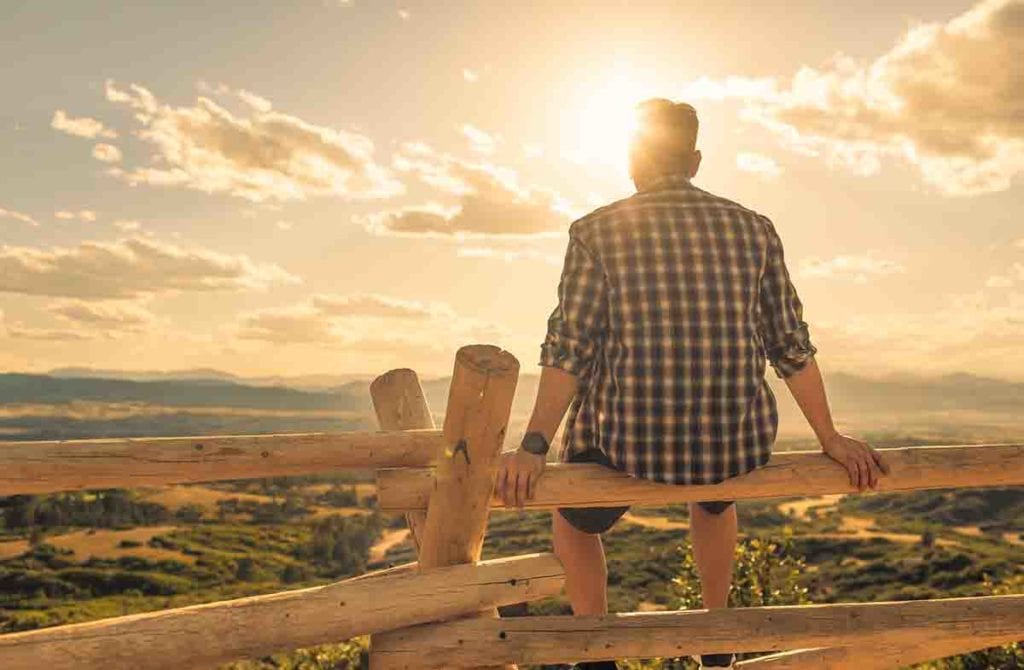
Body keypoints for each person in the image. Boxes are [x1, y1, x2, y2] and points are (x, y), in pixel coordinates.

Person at [495, 98, 891, 670]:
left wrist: (533, 446)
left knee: (573, 517)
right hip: (730, 443)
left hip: (628, 444)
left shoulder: (595, 232)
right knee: (713, 500)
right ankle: (715, 640)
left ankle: (598, 650)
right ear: (697, 160)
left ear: (632, 158)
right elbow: (790, 346)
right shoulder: (754, 230)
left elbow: (570, 349)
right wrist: (829, 437)